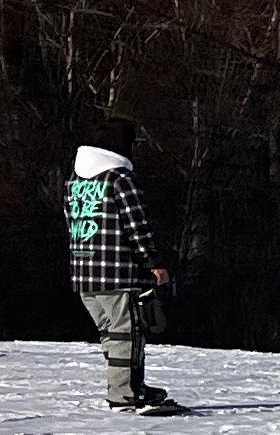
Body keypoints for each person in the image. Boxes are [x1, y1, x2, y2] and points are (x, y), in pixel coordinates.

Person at [63, 129, 187, 415]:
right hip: (118, 273)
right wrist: (154, 263)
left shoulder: (73, 182)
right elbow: (137, 227)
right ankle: (125, 394)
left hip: (84, 275)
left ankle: (127, 386)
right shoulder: (120, 180)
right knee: (127, 333)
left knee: (111, 335)